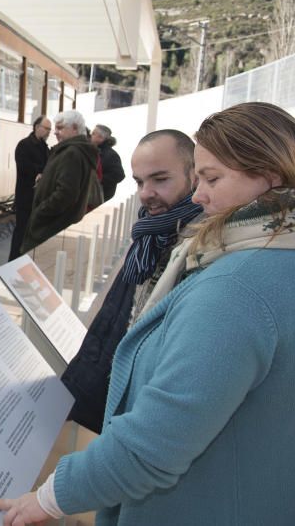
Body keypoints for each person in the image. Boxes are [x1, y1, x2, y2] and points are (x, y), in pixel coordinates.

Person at [0, 102, 295, 525]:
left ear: (271, 175)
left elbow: (154, 443)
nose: (199, 196)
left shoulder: (236, 286)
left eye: (212, 179)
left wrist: (48, 499)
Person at [61, 129, 202, 433]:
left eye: (160, 179)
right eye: (139, 182)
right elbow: (115, 319)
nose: (145, 193)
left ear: (194, 176)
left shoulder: (199, 245)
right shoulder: (151, 234)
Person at [20, 110, 97, 254]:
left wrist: (39, 212)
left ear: (74, 128)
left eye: (60, 128)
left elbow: (66, 194)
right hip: (55, 225)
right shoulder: (75, 150)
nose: (55, 132)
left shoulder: (71, 153)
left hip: (50, 227)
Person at [10, 115, 52, 260]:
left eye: (50, 129)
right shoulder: (24, 145)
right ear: (37, 127)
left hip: (38, 197)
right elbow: (24, 166)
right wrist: (40, 172)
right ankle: (13, 261)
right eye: (46, 128)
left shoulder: (44, 147)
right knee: (21, 231)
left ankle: (24, 261)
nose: (49, 132)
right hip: (26, 196)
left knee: (32, 232)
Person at [90, 124, 126, 202]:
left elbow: (119, 175)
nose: (90, 136)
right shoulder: (93, 151)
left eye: (93, 133)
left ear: (101, 137)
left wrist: (96, 181)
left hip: (99, 197)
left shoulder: (111, 155)